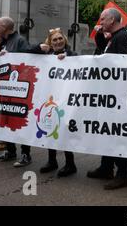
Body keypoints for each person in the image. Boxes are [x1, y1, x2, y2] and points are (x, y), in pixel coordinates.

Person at [86, 8, 127, 190]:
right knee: (106, 132)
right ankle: (106, 167)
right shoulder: (114, 37)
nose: (100, 21)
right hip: (108, 95)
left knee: (117, 134)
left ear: (112, 19)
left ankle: (123, 174)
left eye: (103, 18)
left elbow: (124, 66)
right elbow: (102, 54)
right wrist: (99, 36)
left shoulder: (122, 38)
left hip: (118, 97)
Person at [31, 28, 78, 177]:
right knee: (49, 127)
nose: (58, 42)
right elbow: (25, 52)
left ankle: (70, 164)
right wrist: (39, 48)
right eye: (54, 40)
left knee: (63, 130)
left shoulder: (73, 55)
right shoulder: (45, 55)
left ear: (64, 39)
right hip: (49, 99)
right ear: (50, 43)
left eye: (60, 39)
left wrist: (68, 60)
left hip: (65, 100)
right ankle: (52, 161)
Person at [0, 17, 33, 167]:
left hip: (18, 89)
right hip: (6, 89)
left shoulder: (20, 41)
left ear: (5, 27)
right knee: (7, 120)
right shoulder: (5, 42)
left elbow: (28, 60)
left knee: (19, 120)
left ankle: (25, 154)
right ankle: (10, 150)